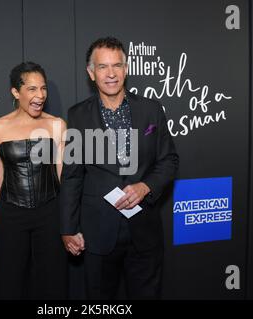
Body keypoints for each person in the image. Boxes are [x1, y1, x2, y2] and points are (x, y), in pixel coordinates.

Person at [60, 37, 179, 299]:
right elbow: (72, 175)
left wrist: (146, 185)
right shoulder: (78, 115)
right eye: (103, 67)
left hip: (144, 231)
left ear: (126, 69)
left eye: (117, 65)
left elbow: (169, 160)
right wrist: (68, 227)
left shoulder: (151, 110)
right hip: (98, 231)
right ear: (91, 73)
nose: (111, 74)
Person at [0, 61, 68, 299]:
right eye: (32, 89)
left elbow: (63, 179)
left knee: (53, 284)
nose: (40, 95)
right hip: (10, 216)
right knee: (10, 284)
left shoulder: (57, 125)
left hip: (50, 214)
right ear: (15, 92)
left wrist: (69, 223)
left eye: (43, 89)